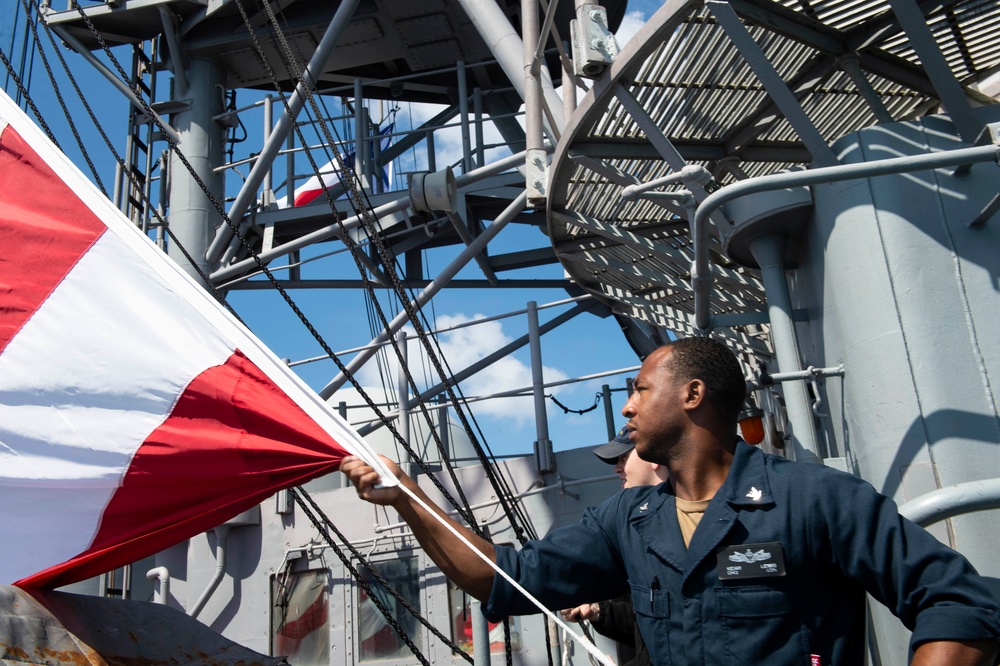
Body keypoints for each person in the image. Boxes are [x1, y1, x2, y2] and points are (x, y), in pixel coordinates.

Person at [342, 337, 1000, 666]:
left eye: (639, 388)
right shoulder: (627, 523)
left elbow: (959, 601)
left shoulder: (814, 499)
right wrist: (406, 497)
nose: (626, 405)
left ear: (691, 396)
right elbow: (507, 577)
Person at [559, 426, 666, 666]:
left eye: (624, 458)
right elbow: (651, 628)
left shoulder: (679, 528)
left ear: (654, 457)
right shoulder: (648, 523)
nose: (617, 468)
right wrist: (597, 611)